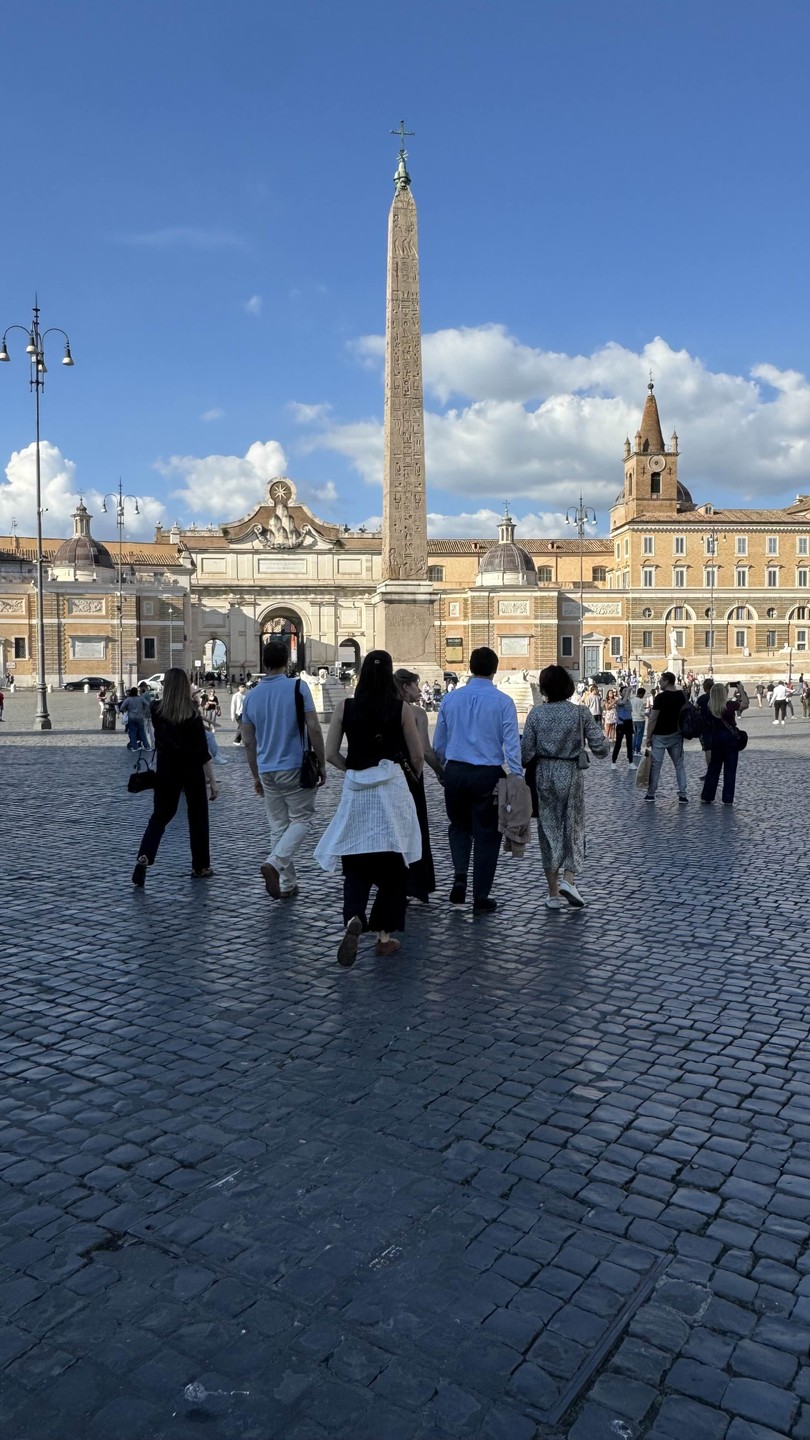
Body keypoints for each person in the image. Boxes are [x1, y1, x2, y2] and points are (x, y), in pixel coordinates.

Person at [315, 650, 423, 965]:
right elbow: (417, 755)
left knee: (356, 860)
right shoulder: (402, 709)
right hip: (392, 789)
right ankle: (384, 938)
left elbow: (330, 754)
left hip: (356, 790)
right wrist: (411, 777)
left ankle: (354, 917)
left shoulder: (344, 707)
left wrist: (352, 769)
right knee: (394, 863)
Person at [433, 646, 522, 913]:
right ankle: (481, 895)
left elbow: (439, 744)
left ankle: (460, 874)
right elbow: (511, 743)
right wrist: (516, 775)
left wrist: (443, 769)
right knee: (487, 834)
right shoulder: (503, 701)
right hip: (487, 774)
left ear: (470, 667)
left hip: (456, 771)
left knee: (458, 826)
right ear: (495, 669)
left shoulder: (450, 699)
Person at [240, 640, 326, 900]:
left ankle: (287, 884)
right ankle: (275, 863)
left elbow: (248, 741)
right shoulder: (299, 687)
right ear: (287, 661)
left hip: (267, 769)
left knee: (278, 825)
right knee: (302, 820)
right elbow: (314, 728)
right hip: (295, 766)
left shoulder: (251, 696)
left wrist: (255, 775)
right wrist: (322, 763)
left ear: (263, 662)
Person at [521, 665, 609, 909]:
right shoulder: (580, 712)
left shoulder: (536, 714)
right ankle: (569, 880)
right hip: (571, 773)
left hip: (544, 774)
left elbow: (525, 753)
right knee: (574, 827)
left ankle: (553, 894)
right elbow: (602, 748)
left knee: (548, 831)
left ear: (544, 688)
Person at [131, 668, 217, 887]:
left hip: (167, 771)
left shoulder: (156, 709)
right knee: (198, 817)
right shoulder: (192, 714)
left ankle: (144, 856)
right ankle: (200, 866)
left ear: (166, 686)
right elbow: (202, 752)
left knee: (160, 816)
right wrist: (213, 780)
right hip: (192, 771)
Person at [394, 669, 443, 902]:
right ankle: (415, 882)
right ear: (406, 687)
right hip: (411, 775)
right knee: (415, 827)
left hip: (387, 776)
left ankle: (392, 881)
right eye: (416, 684)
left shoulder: (383, 709)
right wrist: (441, 773)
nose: (419, 690)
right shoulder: (416, 713)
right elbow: (424, 751)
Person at [643, 670, 688, 804]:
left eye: (661, 680)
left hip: (660, 735)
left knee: (656, 766)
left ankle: (651, 793)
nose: (659, 683)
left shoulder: (660, 697)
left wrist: (648, 736)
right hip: (676, 734)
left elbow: (653, 718)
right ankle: (683, 794)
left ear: (667, 681)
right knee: (679, 765)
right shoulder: (681, 695)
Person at [701, 683, 741, 806]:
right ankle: (728, 798)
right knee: (730, 769)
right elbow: (745, 704)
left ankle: (707, 796)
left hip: (716, 737)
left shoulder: (709, 706)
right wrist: (741, 690)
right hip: (730, 738)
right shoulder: (730, 705)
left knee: (713, 768)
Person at [696, 677, 714, 779]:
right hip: (717, 725)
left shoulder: (702, 698)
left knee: (708, 749)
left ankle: (710, 771)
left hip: (705, 726)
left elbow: (694, 709)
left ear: (704, 688)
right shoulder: (717, 698)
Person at [611, 687, 634, 767]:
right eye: (624, 691)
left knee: (629, 743)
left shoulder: (628, 701)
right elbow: (622, 703)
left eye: (627, 691)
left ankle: (631, 761)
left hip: (629, 723)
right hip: (621, 724)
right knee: (618, 743)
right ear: (620, 693)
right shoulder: (618, 701)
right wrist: (628, 692)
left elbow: (630, 713)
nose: (626, 692)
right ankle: (613, 761)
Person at [631, 686, 647, 756]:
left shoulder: (632, 700)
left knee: (635, 735)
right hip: (640, 719)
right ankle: (637, 750)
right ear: (641, 693)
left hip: (633, 719)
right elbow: (640, 712)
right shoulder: (640, 701)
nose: (643, 696)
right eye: (643, 694)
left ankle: (633, 749)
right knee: (639, 736)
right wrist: (646, 713)